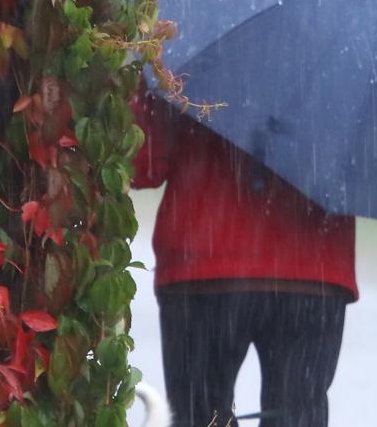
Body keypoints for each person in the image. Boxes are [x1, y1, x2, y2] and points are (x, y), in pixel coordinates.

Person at [131, 88, 357, 427]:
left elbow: (141, 164)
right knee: (296, 416)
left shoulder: (190, 45)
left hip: (205, 264)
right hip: (314, 269)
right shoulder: (353, 58)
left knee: (200, 415)